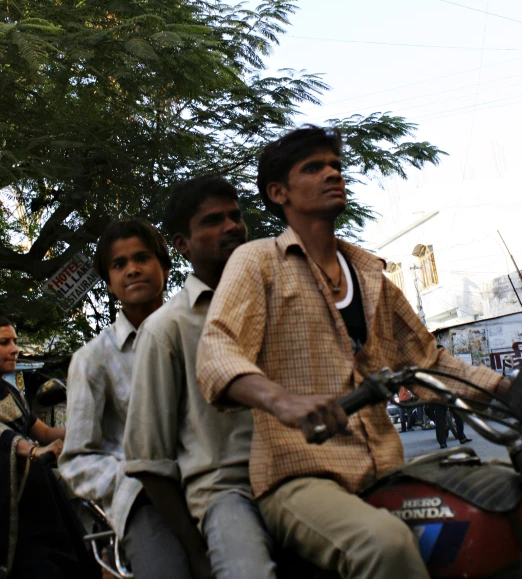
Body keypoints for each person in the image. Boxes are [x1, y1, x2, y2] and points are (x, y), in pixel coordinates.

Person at [196, 125, 510, 579]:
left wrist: (506, 387)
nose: (332, 174)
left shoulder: (370, 274)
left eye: (336, 166)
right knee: (384, 545)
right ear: (278, 191)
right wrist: (280, 400)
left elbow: (428, 361)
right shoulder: (258, 261)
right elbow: (217, 348)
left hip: (383, 466)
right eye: (314, 168)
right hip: (299, 476)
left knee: (488, 502)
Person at [124, 175, 276, 579]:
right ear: (182, 244)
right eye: (212, 220)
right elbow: (148, 460)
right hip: (226, 495)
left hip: (296, 477)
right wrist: (196, 553)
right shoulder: (166, 329)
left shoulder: (278, 300)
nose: (230, 227)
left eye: (234, 216)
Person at [59, 219, 196, 579]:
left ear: (165, 266)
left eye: (142, 258)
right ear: (109, 282)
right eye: (119, 264)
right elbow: (76, 460)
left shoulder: (200, 333)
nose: (132, 269)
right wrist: (137, 482)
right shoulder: (92, 359)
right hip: (144, 505)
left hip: (213, 482)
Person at [0, 315, 95, 579]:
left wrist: (92, 431)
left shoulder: (13, 395)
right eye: (4, 342)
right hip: (11, 511)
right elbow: (4, 436)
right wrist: (31, 451)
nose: (14, 348)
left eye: (15, 341)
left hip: (38, 497)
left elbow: (44, 432)